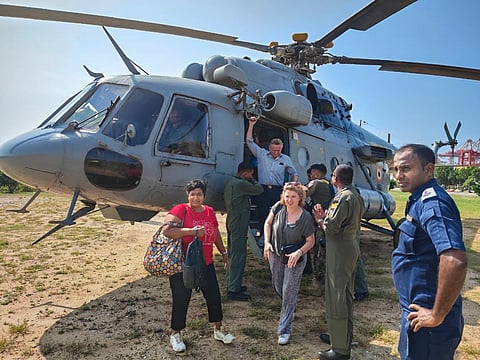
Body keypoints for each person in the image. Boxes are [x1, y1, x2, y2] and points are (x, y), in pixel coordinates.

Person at [392, 144, 468, 360]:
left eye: (406, 168)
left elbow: (455, 260)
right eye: (396, 169)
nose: (398, 175)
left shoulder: (432, 202)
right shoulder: (418, 199)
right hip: (417, 313)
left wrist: (436, 315)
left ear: (428, 169)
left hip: (428, 322)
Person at [162, 179, 235, 352]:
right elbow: (167, 230)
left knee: (213, 297)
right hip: (183, 264)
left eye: (199, 194)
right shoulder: (181, 209)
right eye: (192, 194)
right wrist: (192, 231)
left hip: (206, 262)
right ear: (188, 195)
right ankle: (175, 333)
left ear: (204, 195)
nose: (196, 197)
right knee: (181, 299)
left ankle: (218, 329)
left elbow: (215, 232)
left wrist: (223, 252)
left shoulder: (209, 211)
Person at [313, 164, 365, 360]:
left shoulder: (342, 197)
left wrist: (320, 220)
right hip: (350, 247)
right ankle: (340, 337)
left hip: (339, 250)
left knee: (337, 297)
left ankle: (340, 349)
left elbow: (332, 229)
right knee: (346, 295)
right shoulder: (355, 194)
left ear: (336, 178)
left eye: (333, 174)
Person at [263, 182, 315, 345]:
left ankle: (284, 329)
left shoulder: (305, 217)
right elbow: (268, 223)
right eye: (287, 196)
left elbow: (310, 241)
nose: (290, 200)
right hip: (276, 254)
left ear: (300, 198)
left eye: (293, 197)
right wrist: (267, 242)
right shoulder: (278, 208)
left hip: (295, 258)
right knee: (278, 286)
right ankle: (289, 308)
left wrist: (299, 252)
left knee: (288, 291)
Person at [246, 116, 299, 238]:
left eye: (278, 150)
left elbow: (294, 173)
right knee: (262, 213)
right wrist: (251, 125)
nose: (276, 153)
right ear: (269, 147)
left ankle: (275, 236)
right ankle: (264, 236)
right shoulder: (262, 154)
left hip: (277, 190)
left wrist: (293, 184)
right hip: (263, 189)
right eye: (274, 150)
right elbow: (249, 141)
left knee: (277, 214)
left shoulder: (286, 159)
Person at [224, 162, 264, 301]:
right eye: (250, 174)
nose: (251, 176)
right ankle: (233, 290)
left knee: (232, 253)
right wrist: (252, 179)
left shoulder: (231, 182)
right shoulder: (241, 184)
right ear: (245, 172)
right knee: (238, 255)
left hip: (232, 220)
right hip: (239, 221)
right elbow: (259, 189)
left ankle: (232, 283)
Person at [305, 163, 335, 279]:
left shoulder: (316, 183)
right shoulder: (328, 184)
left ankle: (316, 275)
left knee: (315, 248)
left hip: (317, 220)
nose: (310, 175)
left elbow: (303, 193)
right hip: (325, 219)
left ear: (316, 173)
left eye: (312, 173)